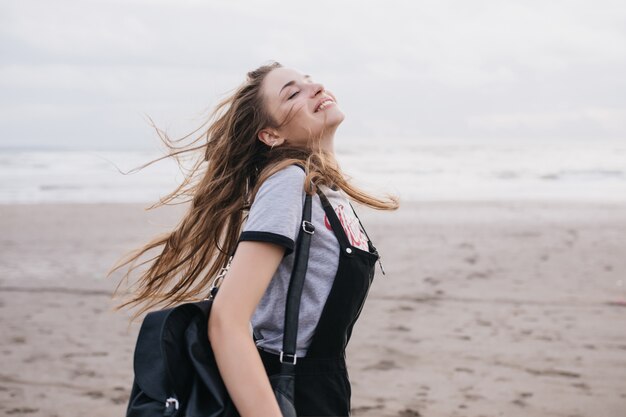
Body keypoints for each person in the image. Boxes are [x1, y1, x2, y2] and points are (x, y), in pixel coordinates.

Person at [109, 60, 399, 417]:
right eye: (292, 92)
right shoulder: (288, 183)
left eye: (310, 80)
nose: (316, 87)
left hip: (324, 386)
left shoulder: (323, 190)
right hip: (285, 388)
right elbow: (227, 320)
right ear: (271, 135)